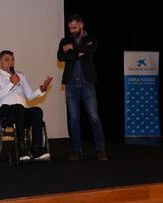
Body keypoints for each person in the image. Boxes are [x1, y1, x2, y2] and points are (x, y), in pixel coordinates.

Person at [57, 13, 108, 161]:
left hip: (87, 83)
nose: (72, 30)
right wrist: (78, 52)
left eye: (74, 27)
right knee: (73, 118)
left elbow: (90, 49)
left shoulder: (91, 39)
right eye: (70, 28)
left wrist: (72, 48)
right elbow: (60, 57)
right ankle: (77, 151)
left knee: (93, 116)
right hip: (71, 84)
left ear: (81, 24)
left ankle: (101, 149)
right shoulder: (64, 40)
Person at [0, 50, 52, 161]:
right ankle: (21, 149)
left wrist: (41, 89)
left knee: (37, 110)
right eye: (7, 60)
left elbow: (30, 96)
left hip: (21, 111)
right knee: (18, 108)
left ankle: (36, 149)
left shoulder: (21, 76)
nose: (10, 62)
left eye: (12, 60)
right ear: (0, 62)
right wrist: (11, 84)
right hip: (5, 111)